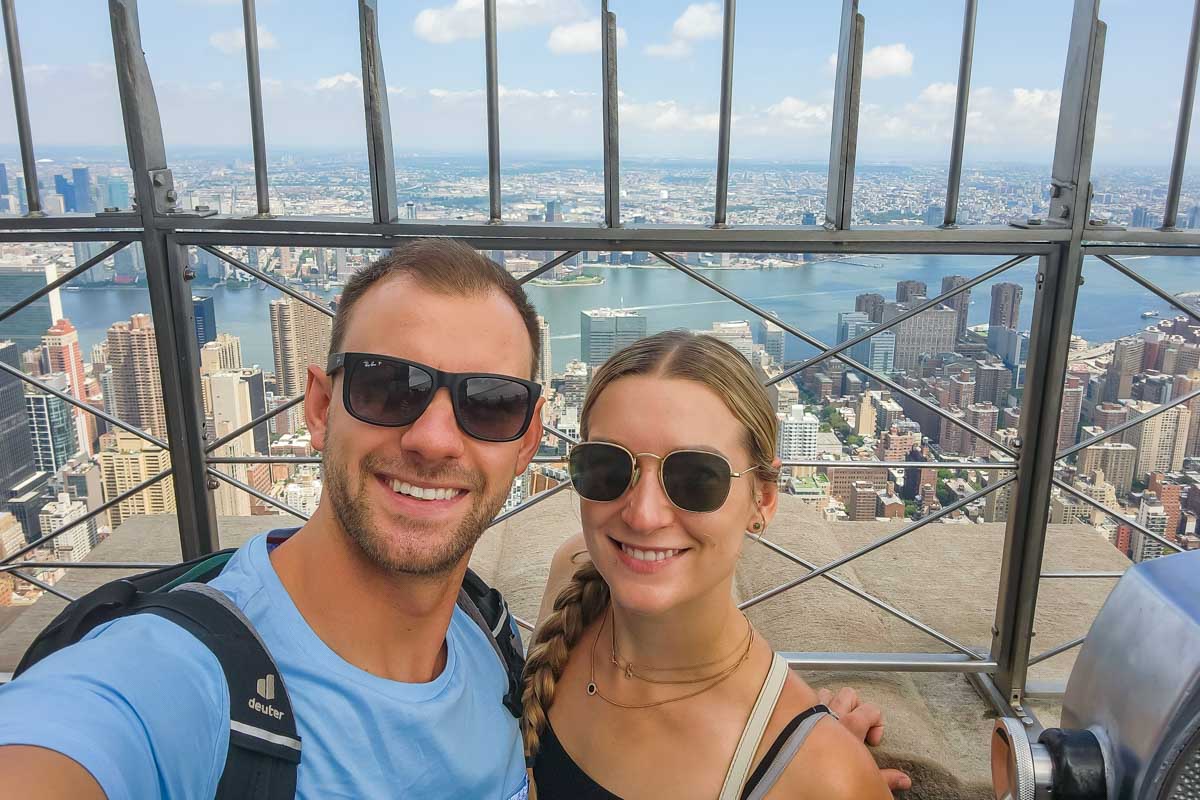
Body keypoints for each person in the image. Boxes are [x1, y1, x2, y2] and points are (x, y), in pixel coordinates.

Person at [0, 240, 904, 798]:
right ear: (318, 405)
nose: (435, 437)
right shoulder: (178, 684)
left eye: (487, 403)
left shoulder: (490, 639)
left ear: (524, 439)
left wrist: (800, 748)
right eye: (388, 386)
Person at [522, 330, 900, 799]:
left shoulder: (818, 773)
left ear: (762, 499)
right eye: (608, 466)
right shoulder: (573, 573)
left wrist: (823, 765)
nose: (642, 514)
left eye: (696, 478)